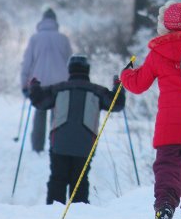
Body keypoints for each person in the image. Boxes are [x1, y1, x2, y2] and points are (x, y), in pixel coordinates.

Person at [119, 1, 181, 219]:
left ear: (164, 26)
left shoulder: (157, 52)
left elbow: (139, 84)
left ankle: (165, 205)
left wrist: (125, 74)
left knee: (166, 165)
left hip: (168, 122)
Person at [28, 54, 126, 204]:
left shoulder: (57, 89)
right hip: (86, 144)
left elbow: (39, 101)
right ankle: (78, 216)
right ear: (87, 70)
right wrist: (118, 87)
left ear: (70, 70)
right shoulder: (97, 91)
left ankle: (53, 215)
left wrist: (34, 86)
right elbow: (116, 104)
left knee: (57, 179)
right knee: (80, 181)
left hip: (59, 143)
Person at [20, 7, 73, 152]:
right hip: (61, 84)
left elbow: (27, 63)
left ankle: (37, 147)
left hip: (39, 83)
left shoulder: (35, 39)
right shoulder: (63, 39)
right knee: (58, 116)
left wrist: (24, 85)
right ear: (55, 22)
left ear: (42, 21)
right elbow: (70, 62)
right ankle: (55, 145)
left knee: (39, 112)